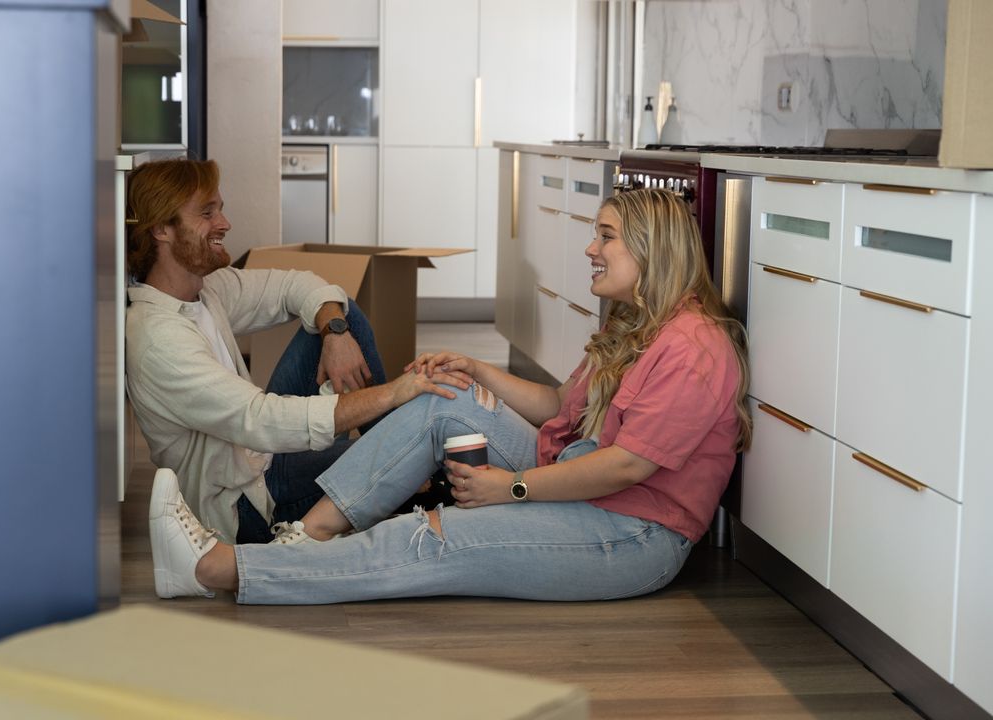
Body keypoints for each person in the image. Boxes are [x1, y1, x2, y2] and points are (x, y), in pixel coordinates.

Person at [148, 188, 753, 603]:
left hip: (634, 535)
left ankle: (219, 570)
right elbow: (556, 406)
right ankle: (306, 537)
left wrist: (508, 488)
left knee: (438, 534)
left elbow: (625, 466)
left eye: (606, 236)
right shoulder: (637, 325)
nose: (591, 248)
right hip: (583, 484)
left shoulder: (695, 349)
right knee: (442, 398)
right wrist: (475, 369)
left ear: (653, 248)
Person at [125, 158, 469, 546]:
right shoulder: (159, 339)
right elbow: (262, 418)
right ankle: (415, 474)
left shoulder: (205, 291)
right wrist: (393, 392)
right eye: (207, 213)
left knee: (342, 315)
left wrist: (335, 332)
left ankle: (405, 459)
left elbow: (296, 286)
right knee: (413, 461)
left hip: (262, 459)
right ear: (160, 230)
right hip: (247, 506)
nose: (224, 223)